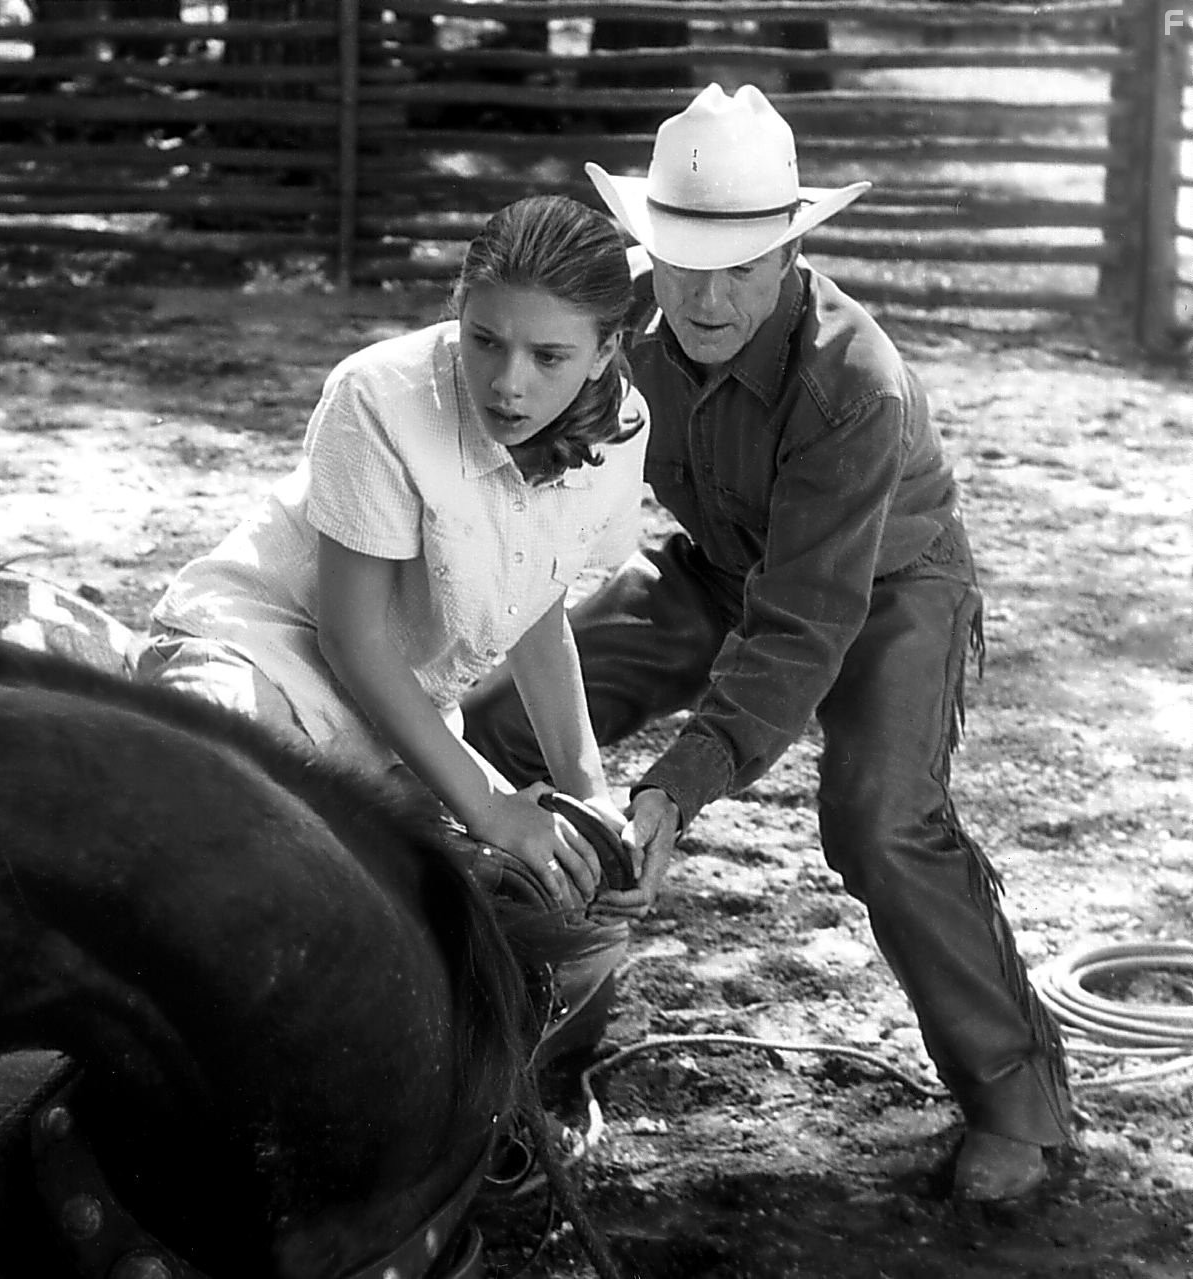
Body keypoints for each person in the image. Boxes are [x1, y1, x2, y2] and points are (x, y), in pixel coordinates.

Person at [461, 85, 1073, 1202]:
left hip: (885, 585)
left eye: (737, 266)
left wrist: (674, 790)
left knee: (879, 819)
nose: (703, 294)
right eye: (680, 261)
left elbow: (800, 624)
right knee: (500, 723)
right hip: (716, 566)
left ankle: (1016, 1108)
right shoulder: (624, 330)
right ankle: (521, 1028)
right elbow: (528, 472)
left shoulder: (853, 383)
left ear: (790, 253)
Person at [138, 193, 649, 950]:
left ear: (604, 351)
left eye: (548, 357)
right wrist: (488, 806)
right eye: (484, 340)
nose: (508, 382)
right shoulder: (380, 395)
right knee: (244, 855)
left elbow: (536, 614)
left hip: (391, 721)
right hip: (264, 661)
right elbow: (351, 638)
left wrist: (589, 802)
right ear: (457, 313)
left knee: (548, 914)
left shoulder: (621, 430)